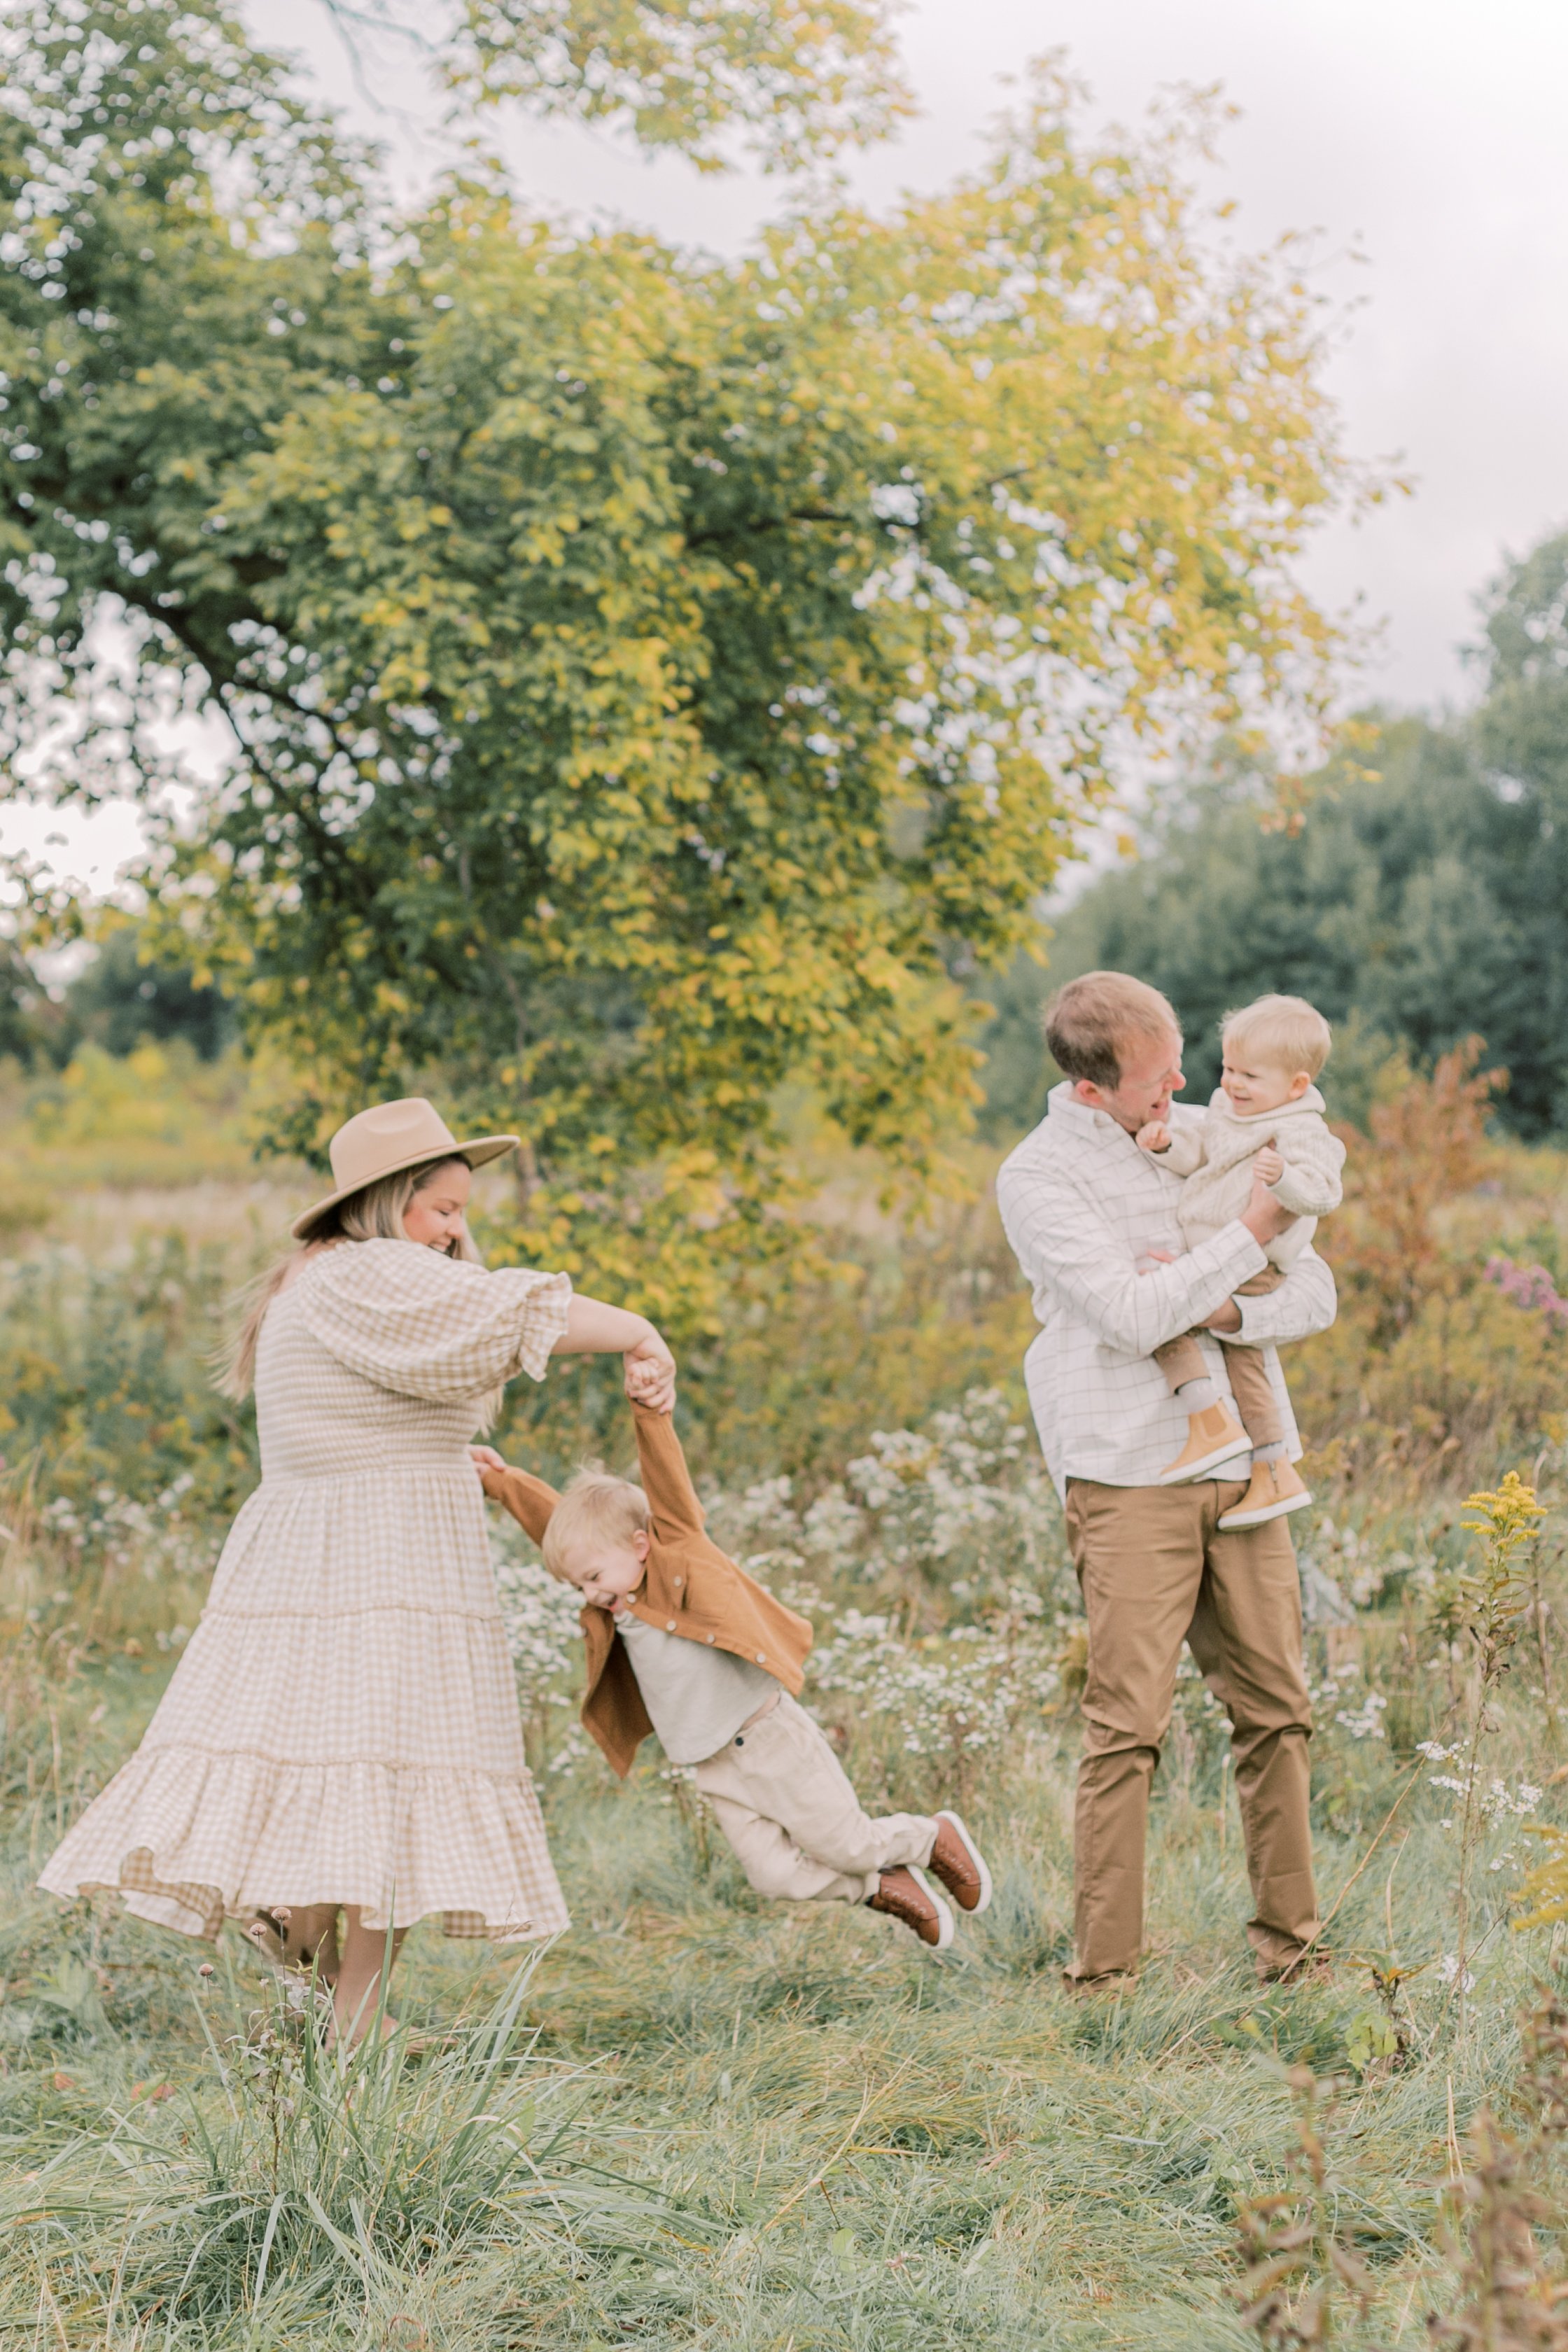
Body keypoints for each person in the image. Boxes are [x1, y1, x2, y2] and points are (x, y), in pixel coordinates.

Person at [38, 1097, 677, 2046]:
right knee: (389, 1777)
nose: (458, 1228)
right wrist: (638, 1329)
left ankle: (318, 1961)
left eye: (462, 1209)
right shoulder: (372, 1273)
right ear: (384, 1203)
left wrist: (437, 1457)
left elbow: (357, 1411)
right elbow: (506, 1310)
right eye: (442, 1208)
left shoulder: (322, 1279)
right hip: (375, 1559)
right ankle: (345, 2000)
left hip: (330, 1547)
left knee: (357, 1774)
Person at [995, 972, 1336, 1987]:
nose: (1184, 1085)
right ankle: (1107, 1980)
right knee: (1127, 1729)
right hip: (1125, 1472)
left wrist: (1231, 1309)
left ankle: (1294, 1954)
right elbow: (1135, 1319)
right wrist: (1247, 1234)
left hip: (1243, 1468)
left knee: (1278, 1711)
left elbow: (1311, 1286)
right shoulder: (1039, 1178)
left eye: (1184, 1061)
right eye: (1157, 1078)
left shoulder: (1206, 1129)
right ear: (1094, 1088)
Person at [472, 1400, 993, 1951]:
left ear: (642, 1545)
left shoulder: (679, 1563)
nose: (590, 1595)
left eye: (594, 1578)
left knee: (849, 1844)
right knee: (773, 1876)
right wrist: (503, 1483)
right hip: (714, 1765)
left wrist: (650, 1411)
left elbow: (667, 1490)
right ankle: (877, 1887)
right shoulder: (613, 1601)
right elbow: (565, 1529)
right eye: (579, 1586)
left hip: (770, 1738)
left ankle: (931, 1837)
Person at [1135, 993, 1346, 1530]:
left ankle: (1240, 1443)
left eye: (1249, 1075)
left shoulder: (1300, 1131)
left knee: (1184, 1316)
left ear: (1296, 1085)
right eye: (1228, 1068)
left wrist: (1284, 1182)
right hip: (1216, 1249)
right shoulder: (1229, 1111)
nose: (1232, 1084)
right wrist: (1165, 1147)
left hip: (1253, 1259)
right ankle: (1252, 1453)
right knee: (1178, 1307)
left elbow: (1323, 1194)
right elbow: (1200, 1156)